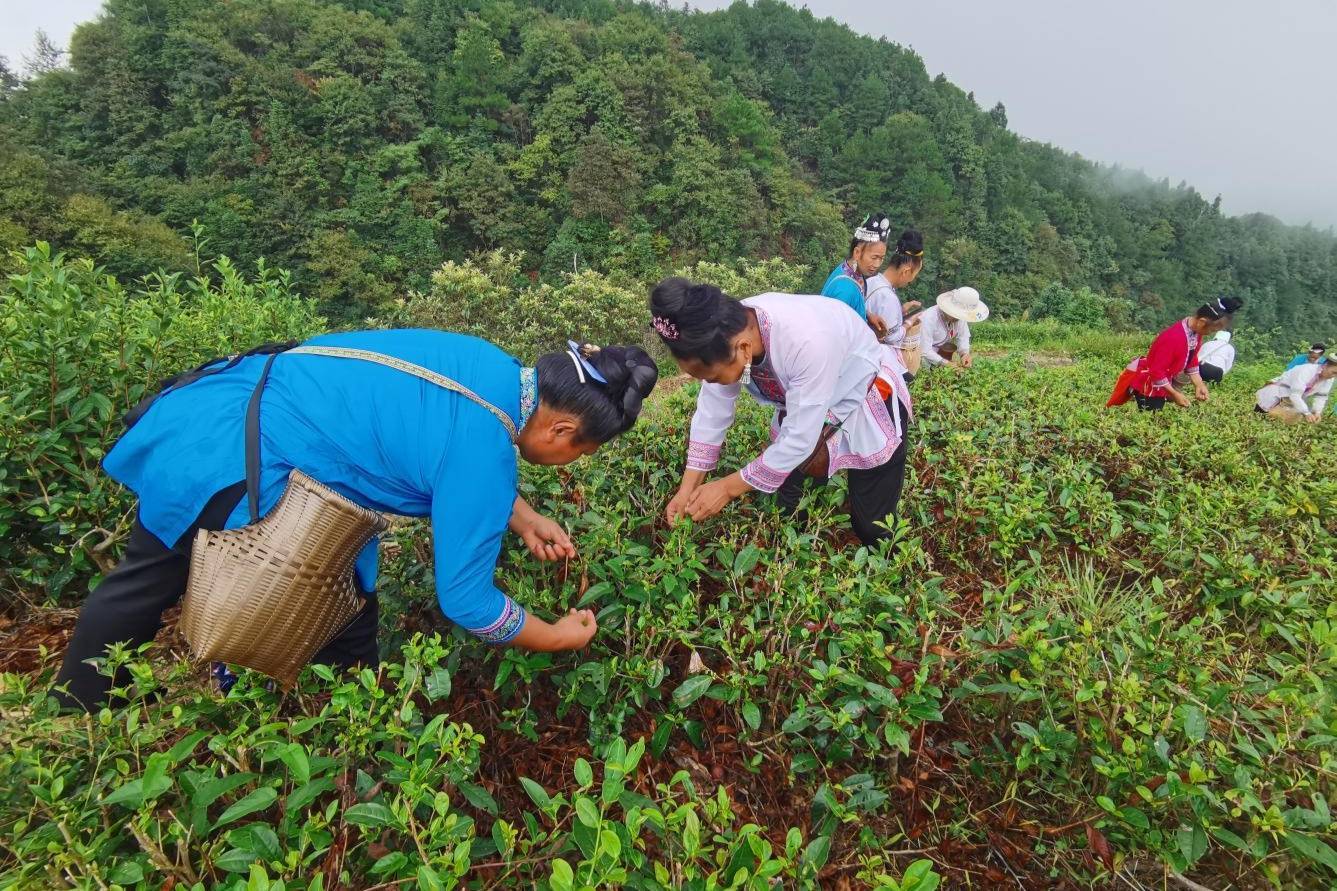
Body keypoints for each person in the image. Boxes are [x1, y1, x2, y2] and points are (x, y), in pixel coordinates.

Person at [55, 330, 658, 710]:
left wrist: (521, 517)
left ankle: (334, 729)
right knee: (151, 580)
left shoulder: (490, 367)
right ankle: (80, 717)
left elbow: (436, 438)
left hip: (226, 407)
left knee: (348, 609)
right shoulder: (486, 454)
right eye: (582, 450)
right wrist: (554, 635)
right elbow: (467, 601)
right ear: (562, 429)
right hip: (238, 452)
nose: (571, 462)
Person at [650, 278, 913, 547]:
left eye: (714, 377)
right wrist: (687, 489)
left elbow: (799, 439)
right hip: (806, 406)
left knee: (872, 523)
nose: (712, 383)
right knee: (788, 507)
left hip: (862, 394)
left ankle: (887, 567)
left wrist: (726, 489)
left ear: (743, 349)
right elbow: (711, 414)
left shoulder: (806, 341)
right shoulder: (720, 333)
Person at [1106, 297, 1243, 411]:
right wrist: (1174, 394)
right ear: (1202, 322)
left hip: (1163, 379)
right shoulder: (1173, 337)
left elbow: (1192, 359)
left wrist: (1199, 384)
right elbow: (1156, 371)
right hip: (1149, 381)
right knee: (1151, 414)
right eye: (1212, 330)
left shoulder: (1195, 333)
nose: (1210, 333)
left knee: (1154, 412)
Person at [866, 230, 926, 377]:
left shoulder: (872, 281)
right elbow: (891, 337)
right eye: (913, 276)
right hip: (875, 361)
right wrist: (909, 322)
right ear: (906, 271)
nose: (910, 281)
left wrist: (901, 311)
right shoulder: (888, 297)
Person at [821, 212, 891, 327]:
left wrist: (868, 315)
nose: (877, 264)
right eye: (874, 258)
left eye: (881, 258)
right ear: (857, 252)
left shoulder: (848, 269)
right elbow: (836, 332)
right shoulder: (845, 290)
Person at [918, 287, 988, 370]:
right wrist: (946, 363)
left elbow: (963, 336)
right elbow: (924, 350)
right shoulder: (929, 318)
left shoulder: (960, 318)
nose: (958, 318)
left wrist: (964, 353)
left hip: (939, 354)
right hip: (921, 356)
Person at [1255, 358, 1336, 423]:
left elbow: (1321, 396)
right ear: (1325, 365)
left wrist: (1317, 412)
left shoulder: (1329, 379)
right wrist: (1307, 413)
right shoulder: (1306, 371)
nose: (1334, 376)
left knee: (1284, 421)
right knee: (1259, 417)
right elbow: (1295, 395)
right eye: (1334, 372)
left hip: (1289, 400)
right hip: (1277, 393)